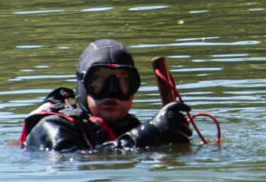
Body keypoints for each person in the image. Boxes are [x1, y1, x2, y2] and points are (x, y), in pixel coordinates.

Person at [20, 38, 193, 152]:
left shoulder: (130, 128)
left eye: (123, 82)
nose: (112, 91)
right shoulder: (53, 128)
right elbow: (73, 161)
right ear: (83, 86)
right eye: (99, 82)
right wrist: (149, 133)